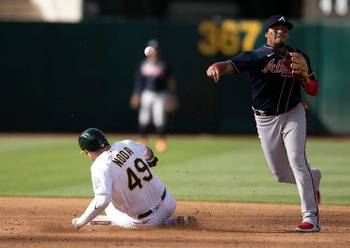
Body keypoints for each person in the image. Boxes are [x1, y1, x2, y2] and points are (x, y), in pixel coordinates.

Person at [206, 15, 321, 232]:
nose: (280, 32)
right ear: (267, 33)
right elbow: (229, 65)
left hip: (293, 112)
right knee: (281, 175)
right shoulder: (257, 56)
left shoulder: (299, 55)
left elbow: (314, 89)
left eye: (284, 29)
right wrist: (216, 66)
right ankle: (314, 178)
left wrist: (306, 79)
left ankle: (311, 218)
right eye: (275, 29)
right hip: (265, 119)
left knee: (297, 161)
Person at [72, 128, 195, 229]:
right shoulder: (125, 143)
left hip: (148, 221)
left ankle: (170, 223)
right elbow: (148, 152)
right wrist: (151, 160)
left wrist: (80, 222)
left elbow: (102, 200)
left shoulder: (99, 166)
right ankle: (167, 220)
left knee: (107, 204)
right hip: (169, 204)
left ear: (87, 152)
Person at [129, 39, 177, 152]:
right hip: (147, 93)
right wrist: (136, 95)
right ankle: (143, 139)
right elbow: (139, 81)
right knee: (144, 117)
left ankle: (161, 140)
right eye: (152, 49)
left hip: (160, 94)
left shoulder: (163, 65)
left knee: (159, 118)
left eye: (155, 49)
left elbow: (171, 81)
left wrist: (172, 96)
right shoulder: (143, 64)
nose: (154, 52)